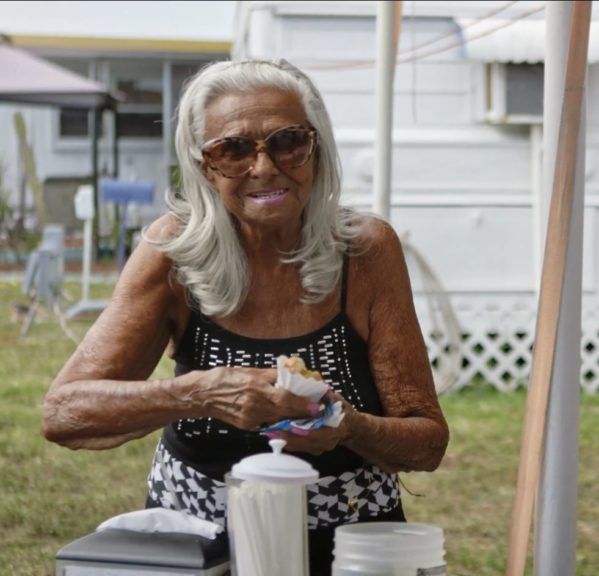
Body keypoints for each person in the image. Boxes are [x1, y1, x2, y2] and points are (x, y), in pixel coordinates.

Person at [41, 59, 449, 575]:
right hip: (203, 546)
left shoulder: (366, 251)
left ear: (317, 147)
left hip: (353, 547)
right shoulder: (175, 252)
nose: (264, 167)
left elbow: (427, 441)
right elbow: (64, 412)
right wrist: (204, 392)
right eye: (232, 149)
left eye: (287, 141)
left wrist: (349, 425)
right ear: (203, 166)